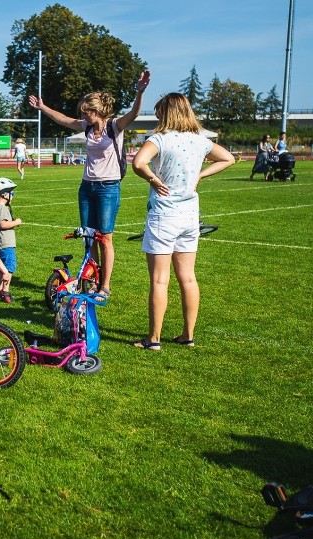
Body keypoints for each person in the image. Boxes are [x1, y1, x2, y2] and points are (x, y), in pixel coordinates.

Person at [28, 70, 151, 300]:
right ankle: (92, 280)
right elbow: (62, 119)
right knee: (88, 236)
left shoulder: (114, 126)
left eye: (87, 112)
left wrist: (140, 92)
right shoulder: (86, 126)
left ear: (97, 111)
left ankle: (105, 285)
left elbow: (133, 114)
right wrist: (43, 108)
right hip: (86, 187)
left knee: (105, 238)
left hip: (108, 188)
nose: (83, 116)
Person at [130, 93, 235, 350]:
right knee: (188, 278)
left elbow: (138, 163)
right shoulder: (200, 141)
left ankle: (153, 339)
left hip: (164, 215)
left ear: (167, 113)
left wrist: (153, 179)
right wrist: (201, 175)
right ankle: (188, 335)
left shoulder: (160, 139)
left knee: (159, 280)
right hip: (190, 216)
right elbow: (229, 158)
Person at [0, 177, 22, 303]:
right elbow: (3, 224)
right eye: (11, 193)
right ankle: (5, 292)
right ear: (4, 194)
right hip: (6, 244)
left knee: (1, 268)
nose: (12, 195)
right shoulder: (2, 208)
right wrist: (16, 222)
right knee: (9, 267)